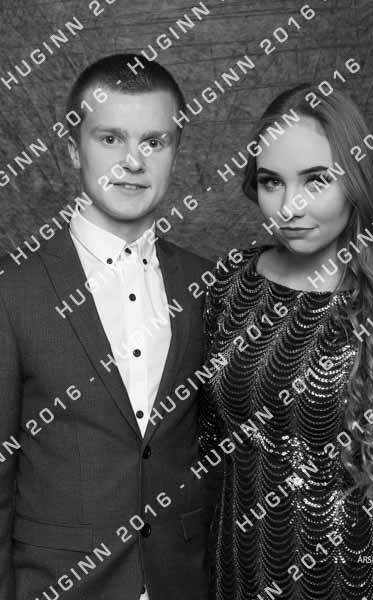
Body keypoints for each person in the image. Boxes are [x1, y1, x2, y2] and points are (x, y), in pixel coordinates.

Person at [200, 84, 373, 600]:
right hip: (237, 572)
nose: (290, 206)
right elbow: (203, 449)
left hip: (354, 578)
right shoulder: (230, 282)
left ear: (355, 181)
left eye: (316, 180)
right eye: (272, 182)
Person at [0, 54, 215, 600]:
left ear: (176, 152)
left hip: (182, 580)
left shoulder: (206, 283)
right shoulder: (12, 292)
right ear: (74, 148)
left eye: (154, 142)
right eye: (111, 138)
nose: (132, 161)